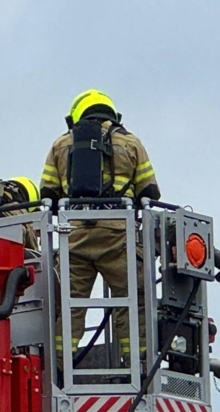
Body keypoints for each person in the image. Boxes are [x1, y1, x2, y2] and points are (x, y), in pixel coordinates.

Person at [40, 89, 160, 365]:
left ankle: (59, 365)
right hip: (118, 236)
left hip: (74, 237)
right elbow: (150, 192)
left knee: (67, 303)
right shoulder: (131, 142)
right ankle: (138, 362)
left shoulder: (61, 144)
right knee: (133, 299)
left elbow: (48, 193)